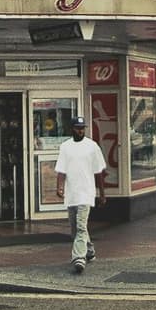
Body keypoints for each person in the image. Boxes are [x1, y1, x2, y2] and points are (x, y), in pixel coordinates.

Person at [53, 114, 107, 275]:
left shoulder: (92, 146)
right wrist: (60, 187)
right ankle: (89, 251)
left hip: (86, 193)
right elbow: (61, 170)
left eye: (83, 128)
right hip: (72, 194)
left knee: (81, 225)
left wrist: (102, 194)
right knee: (75, 227)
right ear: (72, 129)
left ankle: (79, 258)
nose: (81, 131)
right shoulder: (65, 147)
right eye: (78, 128)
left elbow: (99, 172)